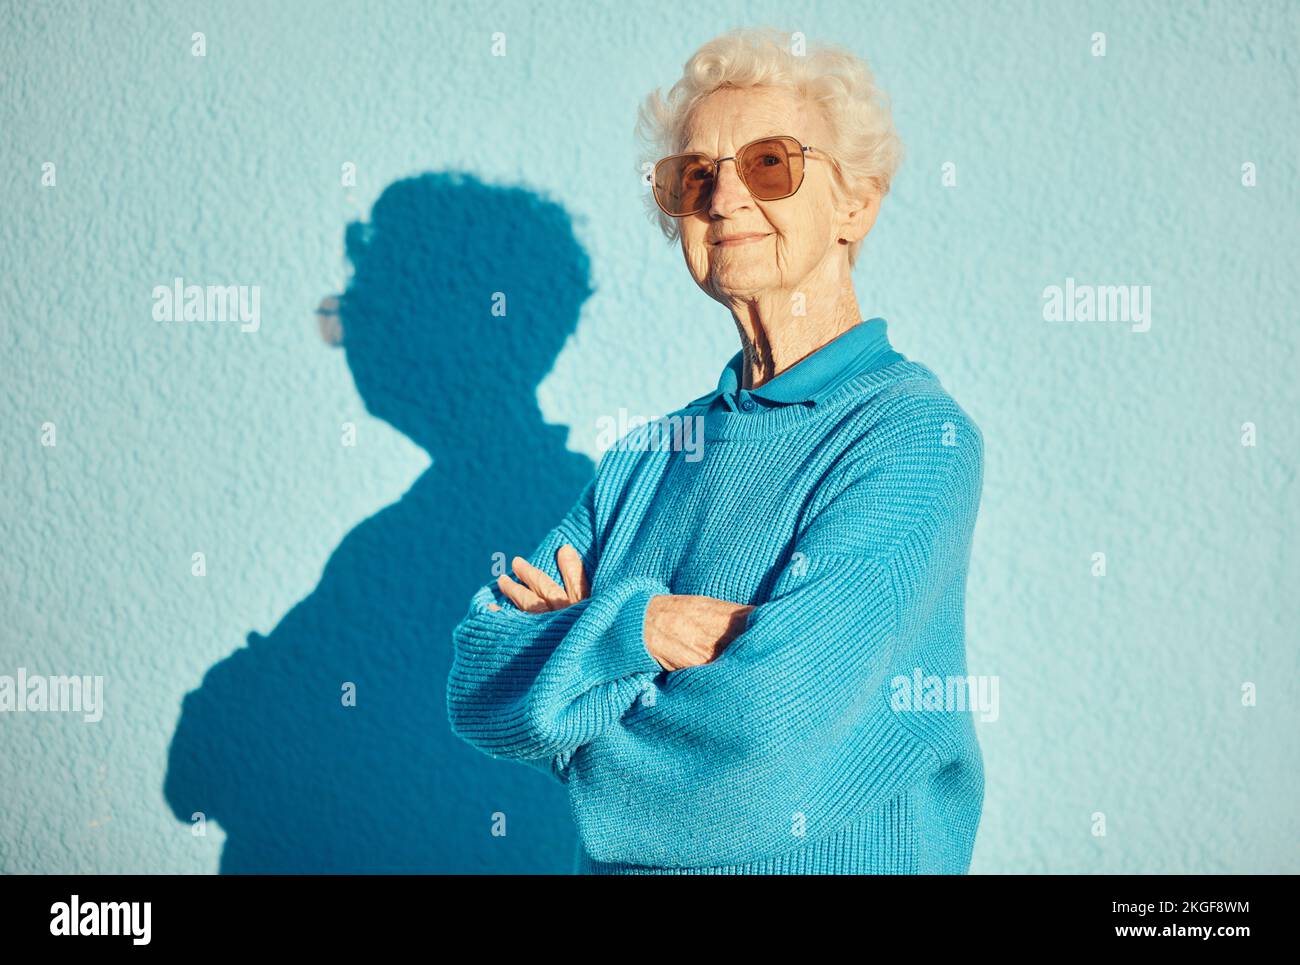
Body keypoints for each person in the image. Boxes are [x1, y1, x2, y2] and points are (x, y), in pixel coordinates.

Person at [447, 25, 986, 874]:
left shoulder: (911, 439)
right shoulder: (646, 457)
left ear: (856, 202)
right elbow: (477, 678)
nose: (724, 198)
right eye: (694, 176)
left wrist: (571, 698)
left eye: (770, 163)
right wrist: (641, 627)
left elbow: (759, 759)